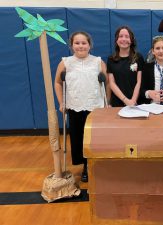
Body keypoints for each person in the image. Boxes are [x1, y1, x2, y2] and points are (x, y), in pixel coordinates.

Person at [54, 31, 108, 182]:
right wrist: (61, 102)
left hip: (95, 106)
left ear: (89, 45)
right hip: (75, 105)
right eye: (77, 43)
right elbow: (58, 82)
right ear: (71, 45)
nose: (80, 46)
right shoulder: (65, 62)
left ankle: (95, 164)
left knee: (94, 138)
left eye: (84, 43)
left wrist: (107, 102)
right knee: (78, 138)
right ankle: (85, 165)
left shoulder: (98, 62)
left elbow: (106, 83)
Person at [107, 26, 144, 107]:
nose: (124, 39)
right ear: (116, 40)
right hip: (117, 102)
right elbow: (112, 83)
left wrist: (133, 100)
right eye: (120, 36)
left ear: (131, 40)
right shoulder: (111, 59)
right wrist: (125, 100)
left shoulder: (138, 57)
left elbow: (139, 81)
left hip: (136, 102)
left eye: (127, 36)